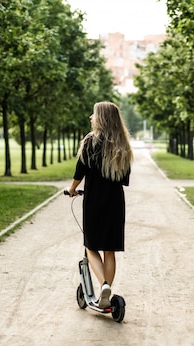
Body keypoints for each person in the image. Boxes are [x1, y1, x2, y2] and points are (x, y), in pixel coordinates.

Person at [67, 101, 133, 308]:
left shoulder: (90, 141)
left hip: (94, 201)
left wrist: (72, 189)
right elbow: (124, 179)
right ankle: (107, 291)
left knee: (91, 246)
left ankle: (103, 284)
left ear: (101, 118)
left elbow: (80, 171)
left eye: (94, 114)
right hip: (115, 202)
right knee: (109, 250)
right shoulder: (122, 145)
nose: (90, 117)